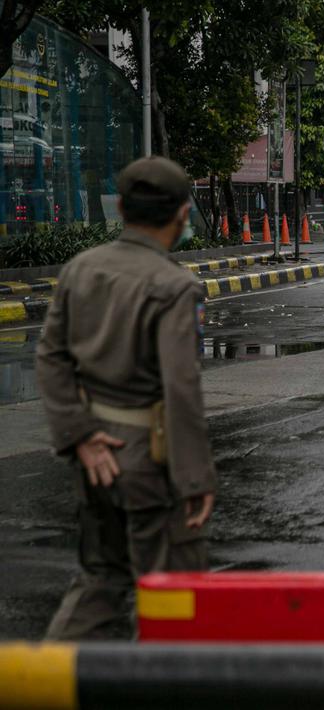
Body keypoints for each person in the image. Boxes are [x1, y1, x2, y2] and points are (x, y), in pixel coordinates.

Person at [35, 156, 216, 640]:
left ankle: (45, 684)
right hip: (148, 461)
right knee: (173, 594)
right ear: (181, 214)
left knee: (100, 580)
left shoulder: (81, 269)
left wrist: (81, 437)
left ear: (123, 210)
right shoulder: (175, 286)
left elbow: (51, 358)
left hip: (94, 457)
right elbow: (180, 386)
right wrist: (195, 478)